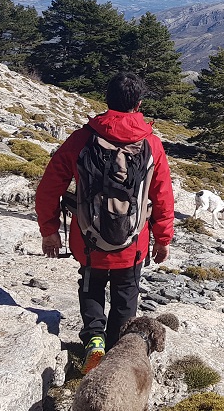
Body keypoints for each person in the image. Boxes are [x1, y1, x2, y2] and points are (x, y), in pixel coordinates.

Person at [35, 71, 175, 374]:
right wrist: (162, 240)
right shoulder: (151, 144)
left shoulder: (83, 138)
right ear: (138, 104)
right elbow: (163, 196)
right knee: (126, 294)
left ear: (106, 100)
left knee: (91, 287)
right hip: (133, 242)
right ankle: (115, 350)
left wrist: (49, 232)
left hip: (88, 240)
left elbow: (49, 187)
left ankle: (94, 340)